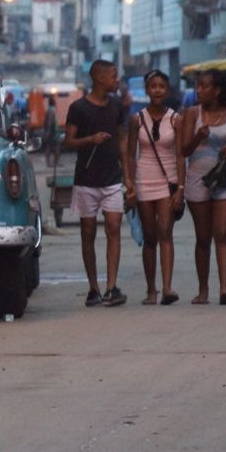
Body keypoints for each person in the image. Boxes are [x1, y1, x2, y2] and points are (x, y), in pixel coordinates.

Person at [64, 59, 129, 307]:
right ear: (99, 78)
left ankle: (111, 287)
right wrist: (90, 139)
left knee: (114, 226)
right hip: (86, 179)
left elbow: (122, 141)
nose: (117, 80)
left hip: (112, 178)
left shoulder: (116, 106)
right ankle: (93, 287)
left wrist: (128, 177)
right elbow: (69, 141)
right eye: (114, 75)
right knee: (88, 232)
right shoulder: (78, 108)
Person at [181, 70, 226, 306]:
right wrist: (198, 136)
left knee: (222, 234)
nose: (199, 90)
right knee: (202, 237)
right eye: (197, 86)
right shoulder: (191, 113)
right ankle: (203, 289)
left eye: (204, 86)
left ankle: (225, 287)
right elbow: (184, 150)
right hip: (198, 178)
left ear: (217, 90)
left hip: (224, 179)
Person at [124, 69, 185, 306]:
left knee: (165, 233)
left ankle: (168, 288)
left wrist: (181, 187)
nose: (157, 90)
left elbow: (180, 156)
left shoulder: (175, 119)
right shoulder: (136, 119)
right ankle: (151, 290)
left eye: (161, 86)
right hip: (143, 181)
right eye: (153, 86)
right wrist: (129, 182)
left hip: (167, 182)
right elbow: (130, 155)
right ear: (147, 90)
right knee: (149, 237)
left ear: (167, 90)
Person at [43, 94, 61, 168]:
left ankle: (55, 162)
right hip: (52, 132)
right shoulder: (51, 110)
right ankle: (52, 163)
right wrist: (48, 132)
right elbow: (50, 122)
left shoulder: (50, 109)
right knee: (53, 147)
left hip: (53, 131)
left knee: (52, 147)